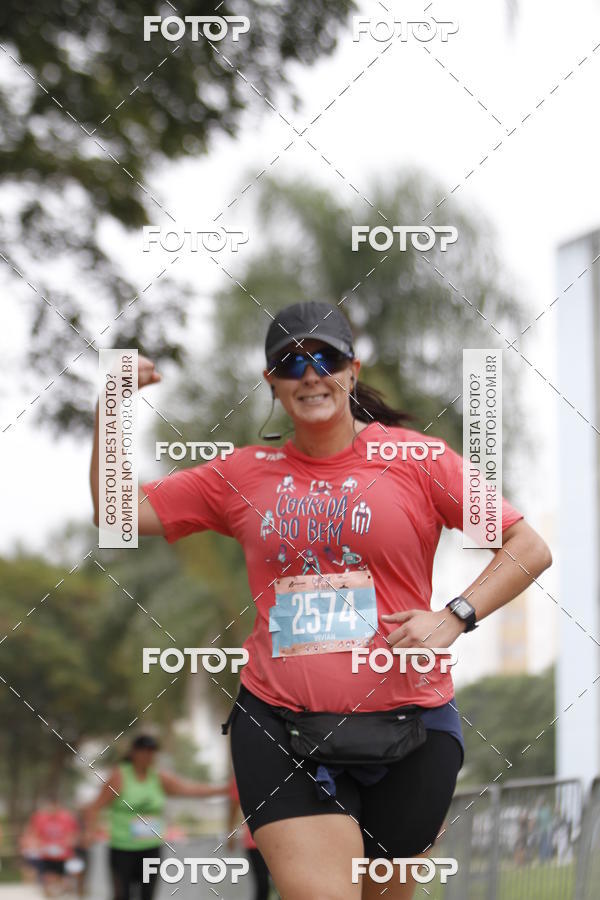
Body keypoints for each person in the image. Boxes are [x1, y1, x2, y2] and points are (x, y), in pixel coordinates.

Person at [90, 300, 552, 899]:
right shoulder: (243, 475)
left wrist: (454, 615)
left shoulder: (418, 460)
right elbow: (117, 513)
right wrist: (112, 404)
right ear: (272, 382)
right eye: (290, 362)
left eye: (325, 358)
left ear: (352, 371)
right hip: (281, 726)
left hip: (411, 728)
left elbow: (527, 546)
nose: (309, 374)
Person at [82, 734, 228, 900]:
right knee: (122, 895)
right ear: (134, 753)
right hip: (123, 849)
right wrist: (89, 832)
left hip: (150, 848)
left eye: (152, 751)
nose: (148, 755)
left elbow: (189, 789)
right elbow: (94, 807)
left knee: (147, 895)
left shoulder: (158, 777)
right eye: (144, 751)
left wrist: (224, 790)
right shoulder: (119, 776)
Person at [228, 776, 275, 900]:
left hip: (280, 839)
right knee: (263, 886)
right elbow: (233, 807)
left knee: (285, 886)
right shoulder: (240, 776)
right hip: (254, 840)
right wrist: (231, 834)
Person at [26, 798, 79, 897]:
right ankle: (49, 893)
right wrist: (38, 846)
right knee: (47, 876)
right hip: (46, 853)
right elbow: (34, 833)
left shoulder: (67, 818)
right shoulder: (40, 818)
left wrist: (65, 846)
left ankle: (60, 890)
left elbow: (72, 835)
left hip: (63, 854)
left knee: (61, 877)